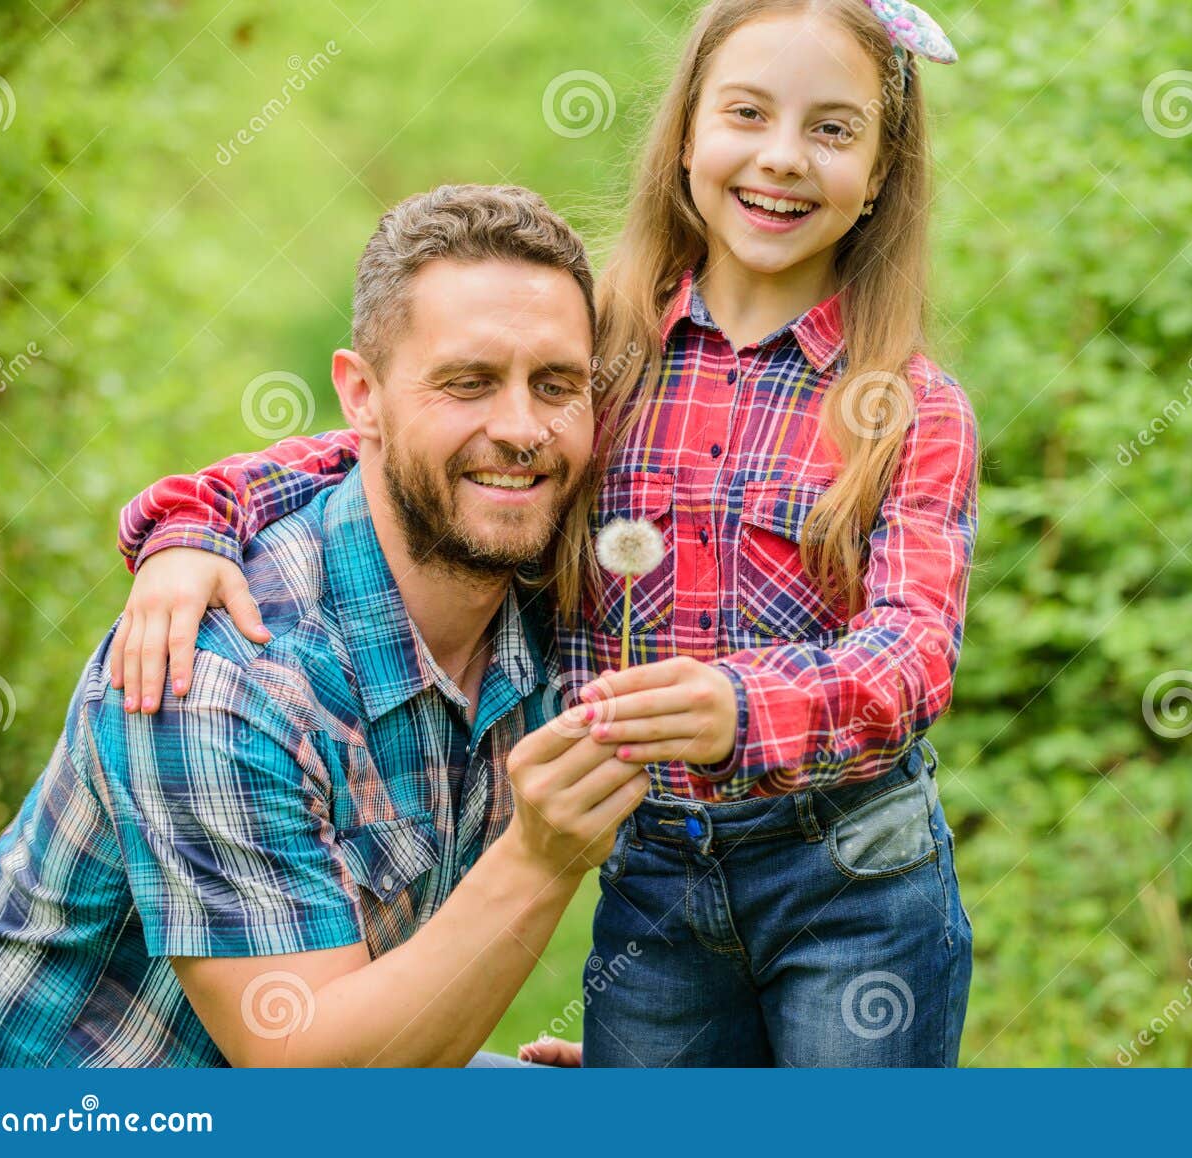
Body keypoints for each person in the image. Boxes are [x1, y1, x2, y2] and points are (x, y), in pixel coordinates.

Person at [110, 0, 978, 1067]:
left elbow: (914, 650)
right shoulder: (605, 357)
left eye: (833, 130)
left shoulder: (905, 404)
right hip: (655, 875)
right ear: (687, 139)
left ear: (883, 171)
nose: (783, 158)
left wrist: (737, 706)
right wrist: (194, 524)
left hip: (854, 876)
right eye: (746, 113)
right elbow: (393, 450)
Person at [0, 183, 649, 1068]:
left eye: (556, 386)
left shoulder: (549, 587)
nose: (521, 429)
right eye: (468, 382)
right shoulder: (219, 667)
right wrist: (542, 860)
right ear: (363, 394)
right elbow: (307, 1082)